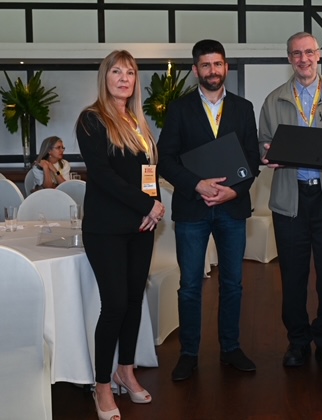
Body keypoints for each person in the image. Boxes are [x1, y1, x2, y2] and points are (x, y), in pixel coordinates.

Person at [158, 39, 261, 381]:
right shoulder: (179, 109)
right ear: (195, 70)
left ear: (225, 67)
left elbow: (252, 160)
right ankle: (188, 354)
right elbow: (166, 160)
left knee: (233, 284)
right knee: (189, 285)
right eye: (206, 65)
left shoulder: (244, 108)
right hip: (193, 209)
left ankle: (230, 348)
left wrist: (234, 191)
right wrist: (197, 185)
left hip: (232, 208)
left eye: (218, 64)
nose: (213, 71)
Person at [259, 32, 322, 370]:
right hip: (290, 199)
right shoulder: (274, 100)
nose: (303, 59)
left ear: (318, 56)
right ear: (289, 59)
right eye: (296, 54)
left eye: (309, 52)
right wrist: (267, 154)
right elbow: (262, 143)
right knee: (293, 275)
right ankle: (298, 341)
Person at [76, 50, 165, 420]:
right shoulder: (92, 119)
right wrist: (146, 205)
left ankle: (125, 371)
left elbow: (148, 173)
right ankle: (101, 385)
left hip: (140, 228)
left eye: (130, 72)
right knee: (114, 305)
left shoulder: (138, 122)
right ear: (105, 77)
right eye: (117, 71)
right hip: (106, 229)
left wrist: (155, 204)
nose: (124, 78)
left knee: (132, 302)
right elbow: (103, 175)